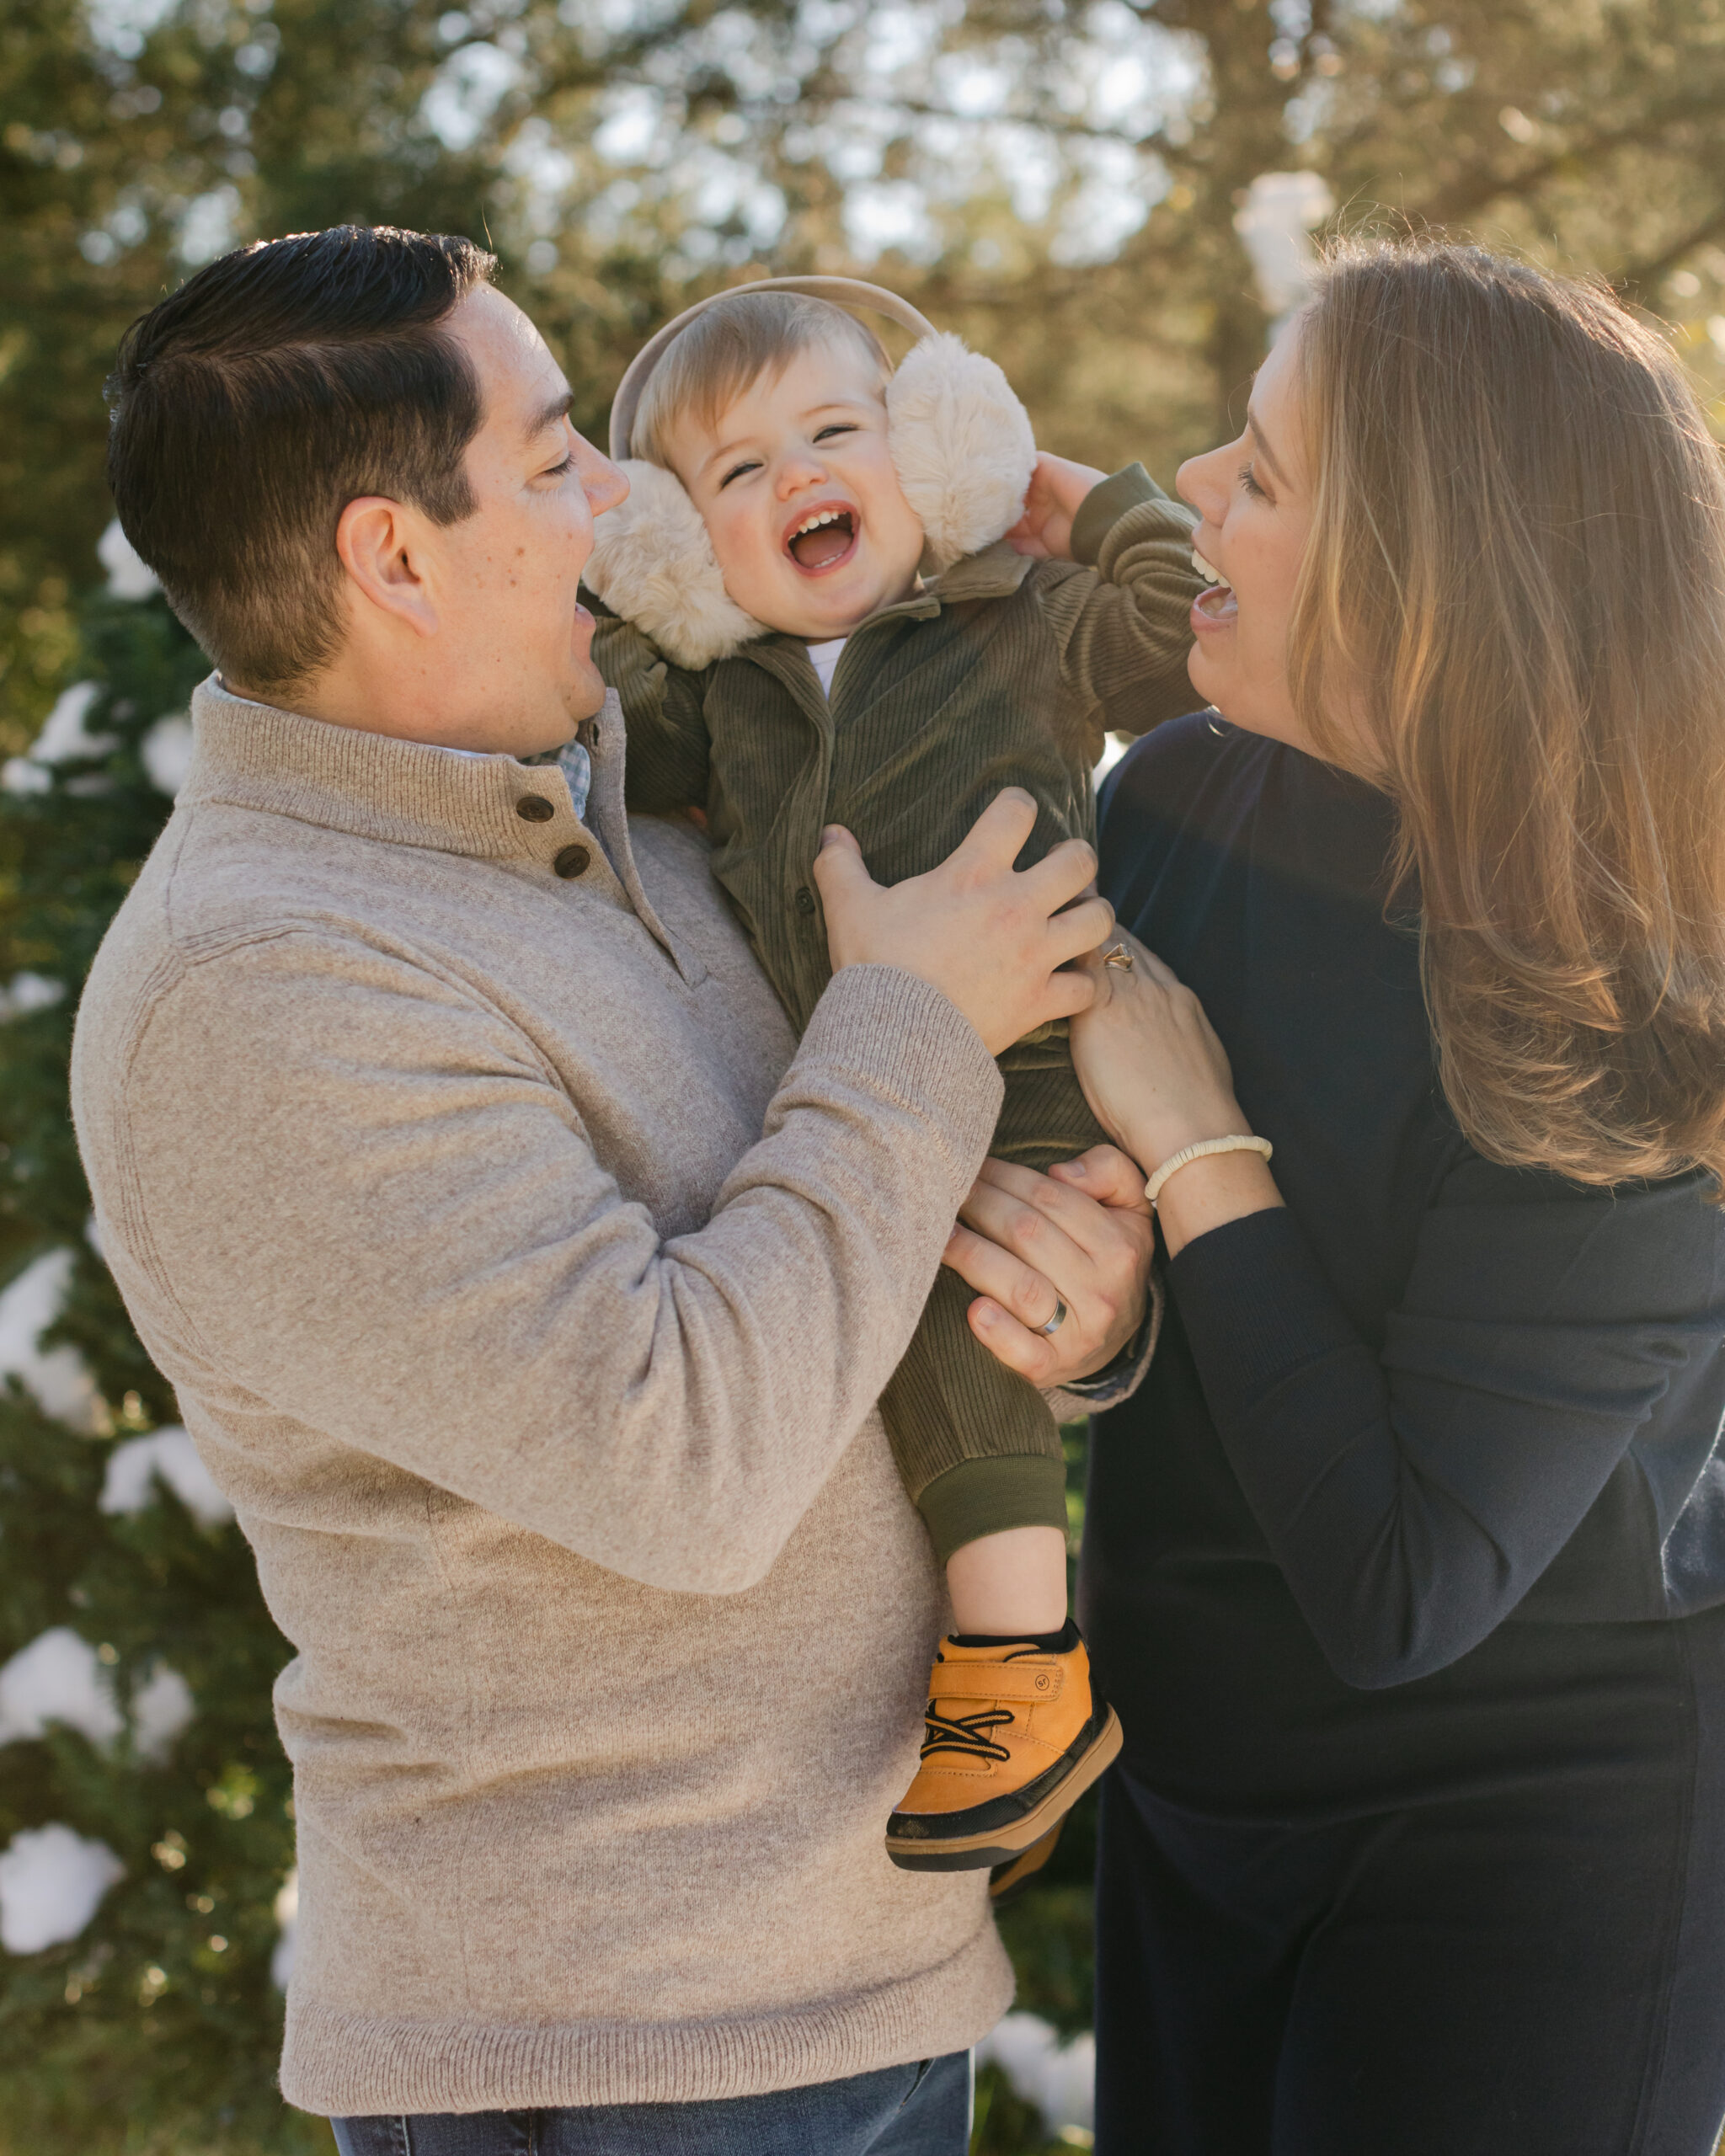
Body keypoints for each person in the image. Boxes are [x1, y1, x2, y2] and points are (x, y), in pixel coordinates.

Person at [70, 224, 1157, 2156]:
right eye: (564, 455)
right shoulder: (263, 988)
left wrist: (1060, 1304)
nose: (617, 508)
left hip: (833, 1987)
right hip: (621, 2055)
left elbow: (832, 1261)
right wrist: (913, 1019)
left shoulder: (618, 805)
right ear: (391, 558)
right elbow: (681, 1457)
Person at [1056, 238, 1725, 2153]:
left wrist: (1199, 1150)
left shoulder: (1635, 998)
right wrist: (1098, 1312)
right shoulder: (1168, 798)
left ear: (1424, 581)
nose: (1192, 485)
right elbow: (1184, 1305)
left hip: (1523, 1852)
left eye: (1259, 474)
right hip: (1192, 1800)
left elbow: (1400, 1578)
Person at [583, 280, 1204, 1869]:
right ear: (687, 546)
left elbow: (1177, 640)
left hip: (1037, 1069)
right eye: (734, 475)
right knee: (896, 1308)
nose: (796, 477)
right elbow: (597, 740)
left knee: (960, 1302)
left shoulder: (1017, 615)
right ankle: (1010, 1662)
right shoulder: (720, 703)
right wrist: (616, 589)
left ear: (931, 455)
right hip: (862, 1084)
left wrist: (1094, 509)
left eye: (837, 433)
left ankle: (1022, 1668)